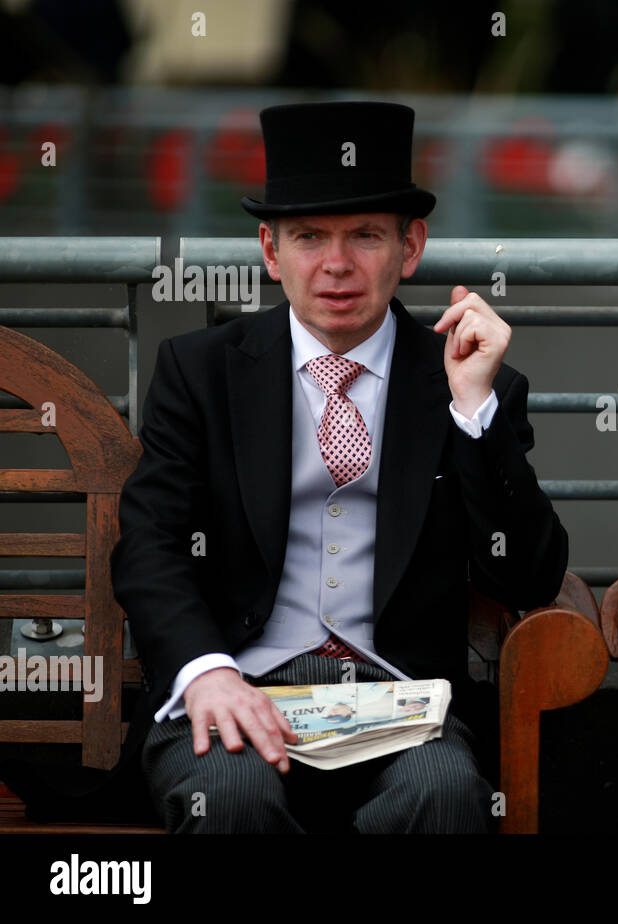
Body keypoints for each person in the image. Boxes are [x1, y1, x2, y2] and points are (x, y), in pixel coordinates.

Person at [111, 101, 568, 833]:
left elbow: (528, 576)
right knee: (229, 801)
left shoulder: (469, 382)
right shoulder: (202, 372)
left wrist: (474, 413)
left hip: (399, 703)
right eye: (308, 237)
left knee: (444, 797)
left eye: (365, 236)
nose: (336, 264)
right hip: (240, 681)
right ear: (270, 250)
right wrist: (207, 672)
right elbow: (150, 544)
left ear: (410, 247)